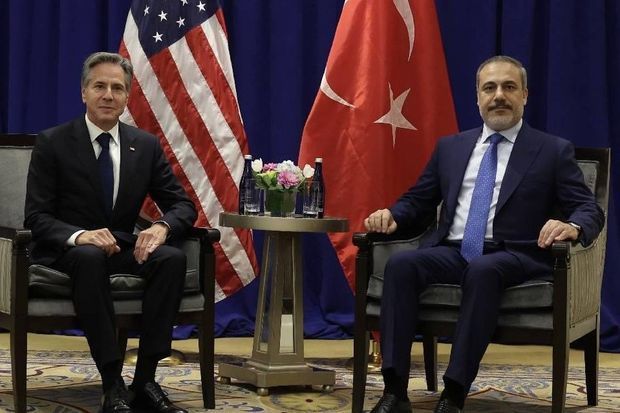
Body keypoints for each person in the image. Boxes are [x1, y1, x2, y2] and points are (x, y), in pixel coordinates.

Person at [364, 55, 605, 413]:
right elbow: (418, 200)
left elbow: (589, 208)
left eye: (509, 87)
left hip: (517, 254)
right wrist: (392, 215)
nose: (499, 96)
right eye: (489, 88)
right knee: (401, 265)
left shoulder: (552, 150)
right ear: (477, 97)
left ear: (525, 95)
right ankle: (395, 391)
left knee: (483, 269)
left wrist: (572, 226)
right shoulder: (451, 148)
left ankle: (454, 393)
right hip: (453, 250)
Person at [24, 52, 197, 413]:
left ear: (127, 96)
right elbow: (37, 217)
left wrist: (162, 227)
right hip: (67, 252)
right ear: (83, 92)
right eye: (99, 86)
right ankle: (111, 381)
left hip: (119, 246)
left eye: (117, 88)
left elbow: (182, 205)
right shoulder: (54, 142)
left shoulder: (144, 145)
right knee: (89, 256)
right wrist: (80, 235)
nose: (108, 95)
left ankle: (145, 379)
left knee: (170, 259)